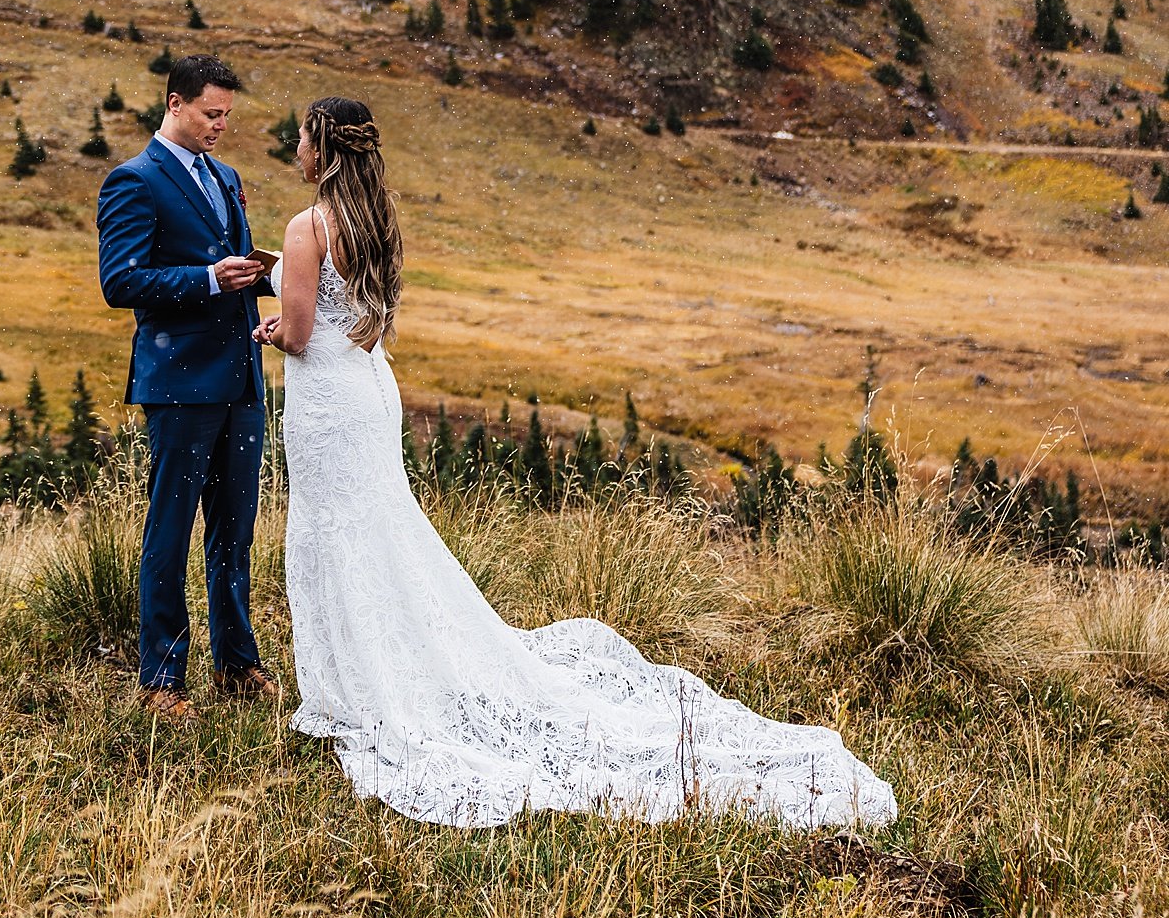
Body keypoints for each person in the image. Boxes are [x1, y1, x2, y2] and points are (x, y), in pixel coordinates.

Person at [256, 95, 897, 831]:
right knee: (379, 530)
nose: (295, 150)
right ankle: (381, 673)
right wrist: (283, 277)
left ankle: (354, 692)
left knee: (336, 534)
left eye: (301, 139)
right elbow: (344, 301)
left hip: (329, 402)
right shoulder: (373, 218)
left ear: (323, 150)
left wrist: (267, 325)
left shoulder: (306, 226)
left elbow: (304, 333)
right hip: (372, 390)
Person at [97, 53, 277, 720]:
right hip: (177, 384)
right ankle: (161, 680)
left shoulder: (227, 178)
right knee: (169, 533)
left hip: (241, 381)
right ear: (175, 104)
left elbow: (240, 268)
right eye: (211, 113)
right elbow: (120, 282)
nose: (221, 125)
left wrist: (290, 277)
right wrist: (204, 280)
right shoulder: (132, 182)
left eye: (227, 114)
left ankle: (236, 665)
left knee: (235, 531)